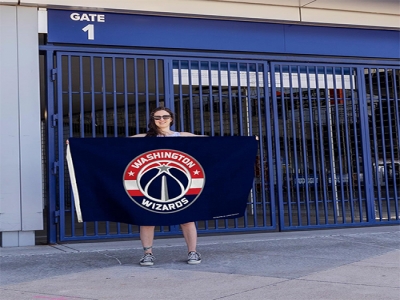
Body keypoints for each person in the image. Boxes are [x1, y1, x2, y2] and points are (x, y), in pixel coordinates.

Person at [131, 106, 204, 266]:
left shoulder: (183, 136)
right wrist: (76, 144)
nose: (161, 120)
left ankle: (193, 252)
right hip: (151, 184)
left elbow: (215, 142)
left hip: (180, 183)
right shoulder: (144, 137)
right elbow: (110, 145)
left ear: (171, 119)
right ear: (153, 120)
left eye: (165, 116)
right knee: (147, 220)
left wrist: (246, 142)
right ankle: (147, 254)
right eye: (157, 117)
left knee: (187, 219)